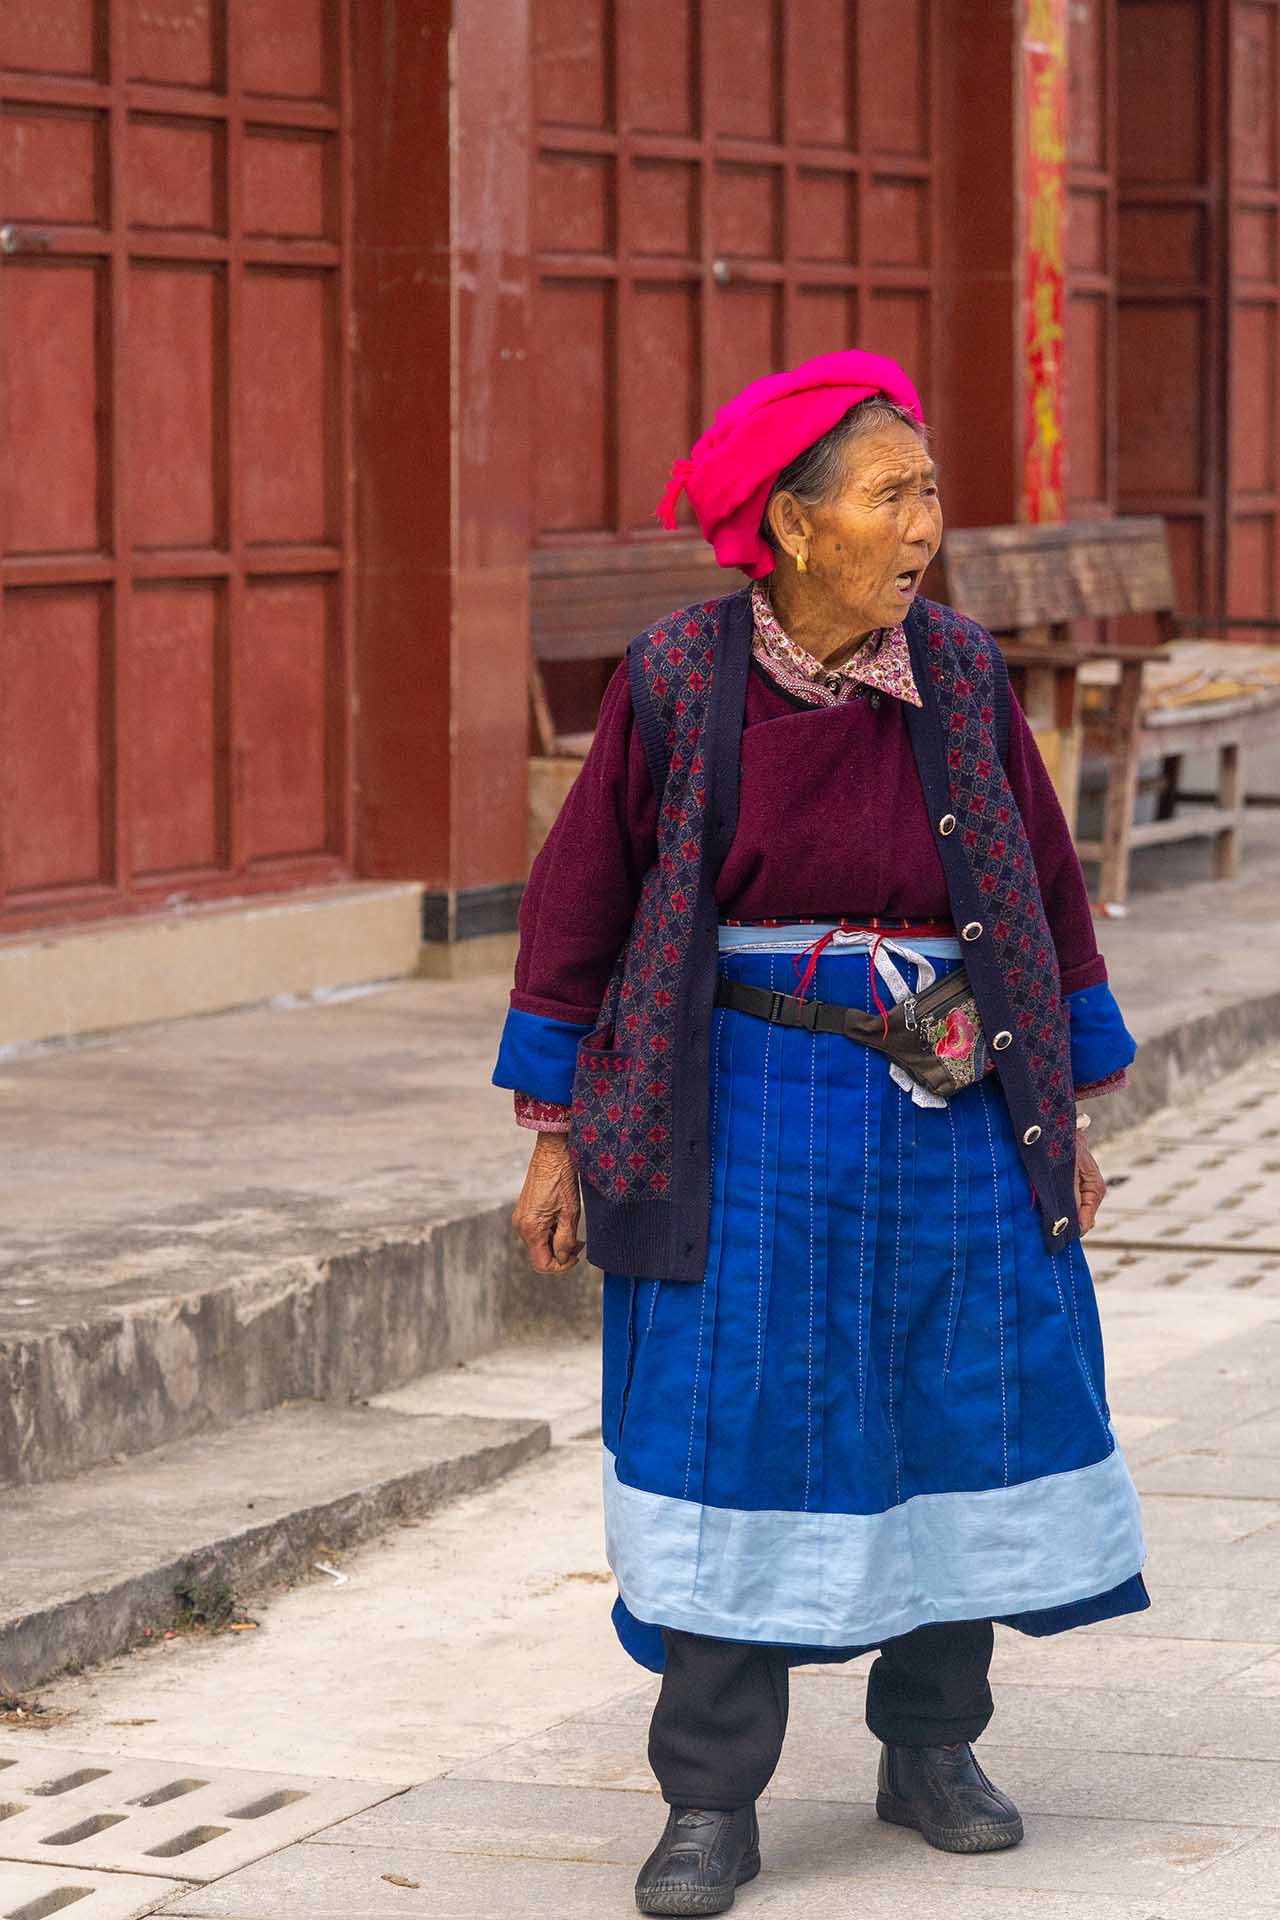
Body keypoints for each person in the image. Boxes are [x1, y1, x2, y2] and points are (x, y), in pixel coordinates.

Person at [493, 349, 1145, 1917]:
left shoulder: (965, 677)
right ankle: (711, 1801)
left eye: (929, 492)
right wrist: (556, 1128)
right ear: (790, 524)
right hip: (744, 1103)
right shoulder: (678, 678)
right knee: (738, 1417)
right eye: (893, 494)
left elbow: (1045, 897)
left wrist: (1062, 1120)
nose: (925, 524)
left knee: (953, 1408)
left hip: (951, 1095)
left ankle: (931, 1748)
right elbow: (581, 905)